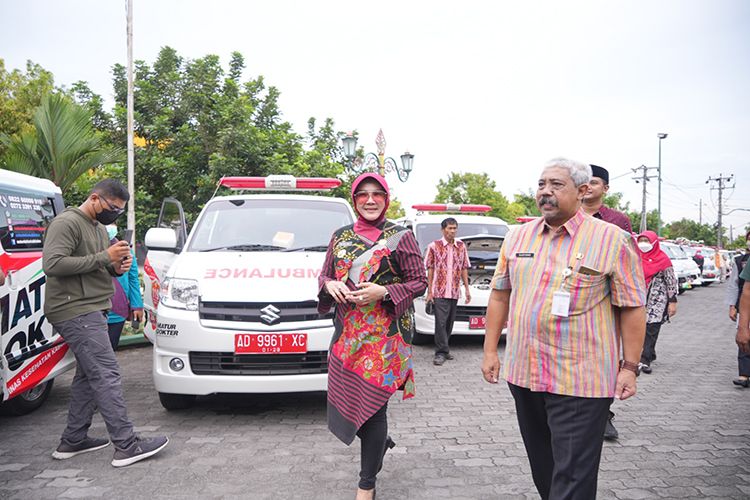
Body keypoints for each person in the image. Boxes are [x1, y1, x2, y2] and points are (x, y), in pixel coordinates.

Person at [481, 158, 646, 500]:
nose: (545, 192)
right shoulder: (517, 237)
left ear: (583, 191)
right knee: (544, 467)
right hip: (524, 374)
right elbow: (500, 295)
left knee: (573, 476)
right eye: (541, 184)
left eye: (556, 185)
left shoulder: (612, 240)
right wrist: (490, 351)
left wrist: (629, 367)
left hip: (580, 380)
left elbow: (631, 306)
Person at [43, 179, 168, 467]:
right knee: (106, 372)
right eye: (112, 207)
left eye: (119, 211)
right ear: (95, 198)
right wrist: (103, 257)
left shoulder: (99, 229)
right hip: (74, 309)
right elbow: (52, 264)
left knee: (88, 375)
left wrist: (115, 266)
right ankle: (126, 445)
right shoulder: (67, 223)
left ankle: (72, 440)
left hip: (93, 307)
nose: (114, 213)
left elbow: (96, 266)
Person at [318, 172, 427, 500]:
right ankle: (379, 445)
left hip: (384, 342)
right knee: (355, 404)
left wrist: (384, 291)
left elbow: (419, 281)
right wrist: (328, 284)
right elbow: (325, 272)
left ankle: (366, 485)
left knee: (374, 407)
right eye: (362, 194)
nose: (369, 200)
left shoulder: (400, 236)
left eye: (376, 194)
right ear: (354, 200)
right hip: (347, 339)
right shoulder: (340, 236)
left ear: (386, 199)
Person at [583, 163, 633, 440]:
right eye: (584, 182)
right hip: (573, 299)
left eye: (595, 182)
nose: (588, 186)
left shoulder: (618, 221)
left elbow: (629, 265)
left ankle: (604, 415)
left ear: (606, 188)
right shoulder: (567, 215)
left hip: (608, 301)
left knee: (606, 359)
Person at [424, 217, 471, 366]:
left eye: (454, 228)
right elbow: (430, 269)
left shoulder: (461, 246)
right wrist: (430, 291)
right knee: (441, 322)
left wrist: (467, 289)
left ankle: (445, 349)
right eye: (450, 228)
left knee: (450, 322)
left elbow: (464, 267)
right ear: (443, 230)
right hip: (439, 291)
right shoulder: (434, 246)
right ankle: (440, 352)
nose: (452, 231)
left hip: (455, 290)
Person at [636, 231, 678, 374]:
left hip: (657, 300)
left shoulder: (663, 259)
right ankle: (650, 352)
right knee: (639, 328)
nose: (643, 244)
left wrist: (672, 301)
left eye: (646, 241)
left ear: (654, 243)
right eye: (640, 240)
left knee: (651, 328)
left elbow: (671, 281)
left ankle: (645, 360)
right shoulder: (634, 256)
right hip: (638, 299)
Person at [105, 225, 144, 350]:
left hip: (117, 311)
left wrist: (137, 305)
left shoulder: (126, 250)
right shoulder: (90, 249)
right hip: (93, 311)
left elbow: (133, 279)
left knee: (110, 350)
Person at [726, 231, 750, 387]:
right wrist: (732, 306)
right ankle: (744, 374)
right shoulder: (739, 260)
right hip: (745, 307)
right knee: (745, 343)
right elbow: (739, 287)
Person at [582, 164, 633, 233]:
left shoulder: (619, 219)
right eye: (584, 182)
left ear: (605, 189)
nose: (587, 187)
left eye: (593, 183)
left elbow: (626, 243)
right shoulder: (567, 215)